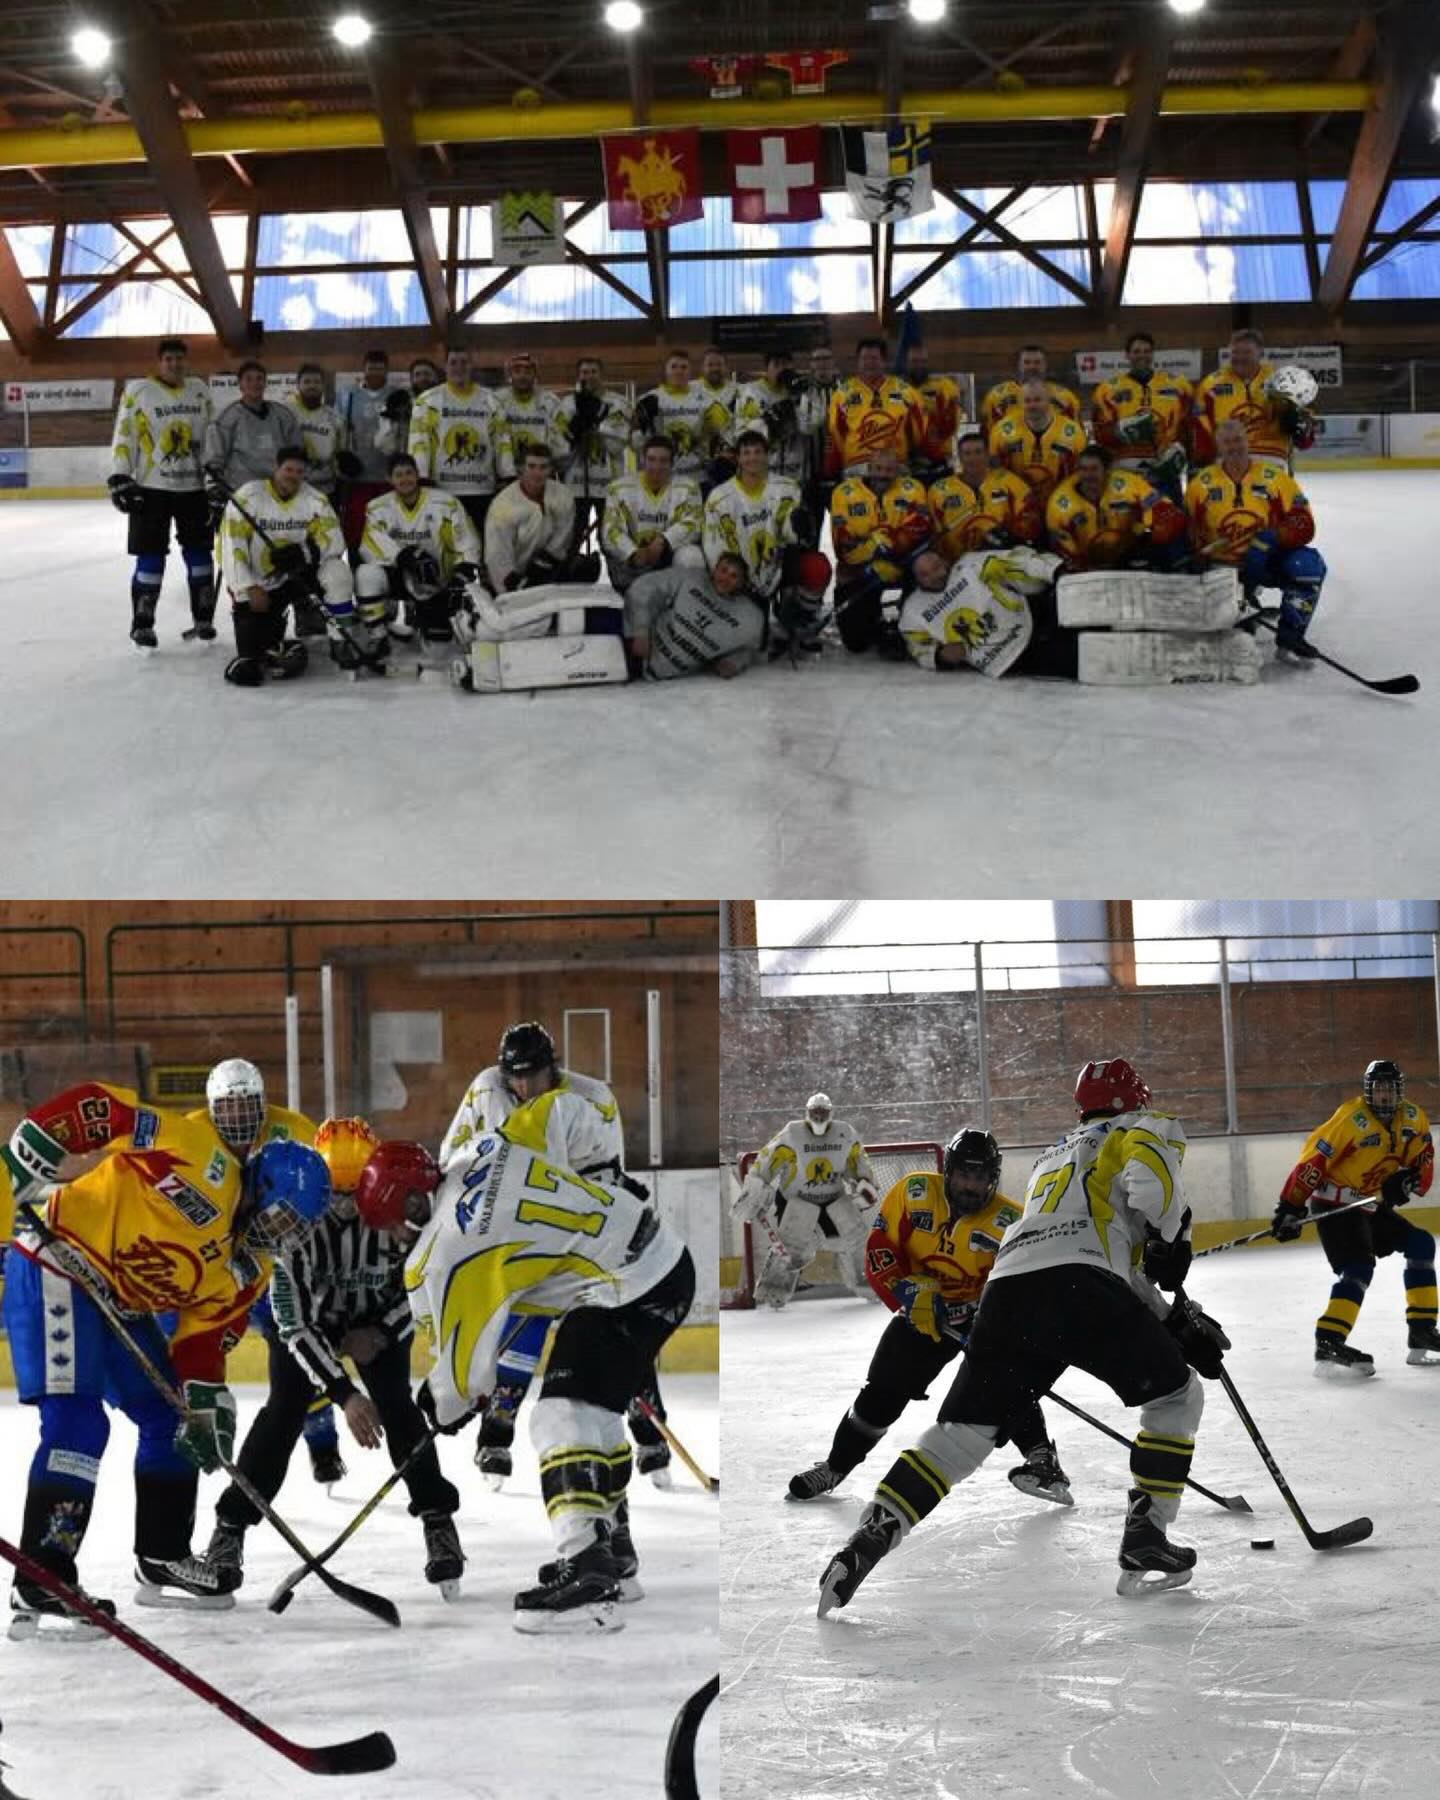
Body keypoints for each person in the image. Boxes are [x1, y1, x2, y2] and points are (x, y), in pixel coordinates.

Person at [818, 1058, 1228, 1614]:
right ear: (1136, 1100)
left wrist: (1174, 1320)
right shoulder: (1143, 1126)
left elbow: (1098, 1253)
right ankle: (1146, 1535)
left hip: (1008, 1288)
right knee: (1177, 1397)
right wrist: (1172, 1236)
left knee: (961, 1433)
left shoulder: (1053, 1156)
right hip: (1081, 1287)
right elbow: (1149, 1186)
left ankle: (871, 1535)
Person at [2, 1083, 328, 1631]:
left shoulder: (250, 1270)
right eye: (280, 1220)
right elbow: (106, 1110)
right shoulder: (201, 1157)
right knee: (78, 1425)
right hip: (59, 1264)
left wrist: (206, 1403)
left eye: (293, 1230)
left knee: (174, 1418)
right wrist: (31, 1148)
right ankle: (42, 1576)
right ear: (260, 1191)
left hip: (119, 1302)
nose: (281, 1236)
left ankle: (162, 1554)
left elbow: (201, 1340)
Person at [357, 1131, 695, 1632]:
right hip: (659, 1259)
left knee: (559, 1417)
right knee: (595, 1415)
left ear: (409, 1205)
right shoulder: (479, 1151)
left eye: (390, 1226)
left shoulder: (451, 1241)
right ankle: (612, 1555)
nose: (393, 1239)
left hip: (628, 1286)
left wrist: (439, 1403)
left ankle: (587, 1571)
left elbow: (466, 1378)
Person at [198, 1118, 465, 1601]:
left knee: (398, 1407)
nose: (343, 1208)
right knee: (282, 1414)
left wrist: (382, 1332)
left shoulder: (399, 1215)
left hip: (377, 1323)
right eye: (333, 1195)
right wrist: (343, 1394)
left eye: (353, 1194)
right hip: (313, 1324)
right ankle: (230, 1529)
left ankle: (438, 1519)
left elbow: (421, 1289)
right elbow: (294, 1326)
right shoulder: (294, 1227)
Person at [438, 1022, 674, 1486]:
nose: (524, 1087)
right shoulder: (486, 1090)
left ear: (553, 1067)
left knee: (615, 1326)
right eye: (516, 1077)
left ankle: (650, 1432)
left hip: (581, 1233)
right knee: (521, 1328)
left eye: (534, 1075)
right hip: (519, 1232)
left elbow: (608, 1180)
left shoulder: (593, 1099)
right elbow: (454, 1157)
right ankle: (495, 1437)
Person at [788, 1129, 1071, 1507]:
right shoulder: (914, 1193)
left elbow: (1021, 1288)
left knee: (1006, 1381)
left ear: (993, 1178)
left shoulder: (1010, 1223)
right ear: (949, 1171)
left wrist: (991, 1320)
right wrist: (905, 1292)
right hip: (919, 1311)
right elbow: (880, 1251)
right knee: (881, 1392)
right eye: (964, 1175)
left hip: (980, 1317)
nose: (971, 1185)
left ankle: (1042, 1458)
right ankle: (835, 1466)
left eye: (980, 1177)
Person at [187, 1060, 340, 1485]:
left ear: (263, 1103)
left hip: (279, 1256)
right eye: (228, 1107)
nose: (238, 1116)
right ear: (212, 1108)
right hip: (222, 1253)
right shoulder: (193, 1133)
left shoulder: (295, 1129)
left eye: (246, 1105)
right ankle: (195, 1412)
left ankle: (322, 1441)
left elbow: (324, 1189)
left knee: (290, 1343)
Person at [1271, 1059, 1436, 1376]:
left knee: (1420, 1243)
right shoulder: (1350, 1119)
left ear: (1399, 1091)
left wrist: (1408, 1181)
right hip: (1334, 1204)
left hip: (1369, 1204)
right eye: (1379, 1088)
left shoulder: (1413, 1118)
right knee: (1358, 1267)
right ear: (1369, 1090)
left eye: (1390, 1089)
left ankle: (1422, 1330)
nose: (1385, 1095)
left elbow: (1422, 1161)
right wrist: (1290, 1206)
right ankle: (1329, 1341)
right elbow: (1313, 1162)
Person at [899, 545, 1260, 687]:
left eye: (937, 564)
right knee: (1120, 656)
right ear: (916, 579)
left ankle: (1210, 601)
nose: (936, 574)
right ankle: (1224, 657)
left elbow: (1017, 561)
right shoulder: (913, 614)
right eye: (926, 573)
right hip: (1016, 658)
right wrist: (940, 655)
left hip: (1036, 615)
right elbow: (919, 649)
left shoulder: (970, 565)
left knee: (1111, 597)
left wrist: (1053, 570)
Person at [217, 444, 382, 685]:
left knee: (337, 572)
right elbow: (231, 547)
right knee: (254, 657)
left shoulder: (315, 500)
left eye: (299, 471)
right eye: (288, 469)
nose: (293, 476)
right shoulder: (248, 497)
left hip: (299, 576)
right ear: (276, 468)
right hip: (259, 583)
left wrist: (305, 553)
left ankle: (341, 642)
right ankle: (259, 643)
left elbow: (334, 540)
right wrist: (248, 586)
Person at [1185, 417, 1325, 660]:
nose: (1234, 446)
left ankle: (1291, 635)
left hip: (1267, 561)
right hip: (1224, 569)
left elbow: (1303, 522)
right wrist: (1195, 559)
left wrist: (1272, 538)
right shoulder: (1201, 484)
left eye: (1238, 440)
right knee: (1238, 638)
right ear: (1219, 446)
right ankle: (1246, 610)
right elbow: (1187, 529)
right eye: (1227, 442)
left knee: (1307, 566)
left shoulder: (1275, 478)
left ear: (1247, 441)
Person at [107, 335, 216, 648]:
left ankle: (203, 618)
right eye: (168, 359)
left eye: (179, 358)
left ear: (186, 361)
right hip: (151, 489)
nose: (174, 364)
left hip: (194, 489)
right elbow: (125, 433)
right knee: (150, 556)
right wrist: (120, 474)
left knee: (200, 555)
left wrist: (214, 478)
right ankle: (143, 625)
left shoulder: (200, 390)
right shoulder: (139, 391)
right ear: (159, 362)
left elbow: (212, 436)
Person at [732, 1093, 881, 1308]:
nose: (819, 1117)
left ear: (831, 1113)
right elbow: (767, 1160)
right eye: (815, 1112)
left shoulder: (845, 1133)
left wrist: (865, 1182)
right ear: (807, 1113)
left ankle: (867, 1282)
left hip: (834, 1199)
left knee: (856, 1239)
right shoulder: (792, 1134)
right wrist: (755, 1189)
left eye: (823, 1112)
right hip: (796, 1200)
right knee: (791, 1244)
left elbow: (858, 1162)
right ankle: (774, 1289)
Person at [703, 429, 824, 639]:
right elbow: (714, 546)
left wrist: (799, 527)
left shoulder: (787, 487)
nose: (752, 458)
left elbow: (790, 534)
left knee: (816, 566)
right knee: (754, 638)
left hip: (777, 565)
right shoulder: (719, 497)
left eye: (758, 452)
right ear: (738, 458)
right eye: (746, 453)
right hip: (741, 577)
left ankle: (795, 617)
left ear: (768, 456)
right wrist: (735, 578)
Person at [357, 450, 483, 646]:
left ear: (417, 474)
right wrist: (407, 556)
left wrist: (461, 573)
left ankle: (431, 616)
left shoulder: (445, 503)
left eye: (409, 473)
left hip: (440, 579)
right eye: (398, 475)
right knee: (366, 574)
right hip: (401, 578)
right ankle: (378, 636)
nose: (405, 479)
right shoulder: (377, 508)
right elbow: (370, 545)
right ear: (389, 479)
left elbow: (468, 542)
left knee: (440, 638)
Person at [828, 445, 933, 653]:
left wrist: (889, 542)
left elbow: (921, 529)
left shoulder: (913, 488)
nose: (883, 475)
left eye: (889, 470)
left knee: (928, 564)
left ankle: (915, 621)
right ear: (869, 468)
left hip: (903, 563)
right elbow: (843, 546)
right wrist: (873, 553)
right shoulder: (844, 493)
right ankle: (873, 622)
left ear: (897, 470)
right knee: (856, 643)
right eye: (878, 469)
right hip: (862, 570)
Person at [408, 345, 510, 537]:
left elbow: (502, 441)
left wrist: (507, 475)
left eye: (464, 362)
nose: (459, 367)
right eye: (453, 362)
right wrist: (421, 477)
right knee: (445, 542)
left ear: (472, 366)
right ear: (445, 367)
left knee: (479, 541)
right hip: (442, 489)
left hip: (482, 489)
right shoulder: (427, 401)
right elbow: (419, 443)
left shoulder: (491, 400)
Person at [625, 553, 766, 681]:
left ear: (740, 584)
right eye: (723, 570)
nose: (725, 579)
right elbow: (643, 589)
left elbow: (750, 648)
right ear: (714, 569)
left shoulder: (746, 615)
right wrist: (640, 631)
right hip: (633, 645)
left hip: (664, 674)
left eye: (734, 576)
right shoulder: (690, 578)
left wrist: (734, 662)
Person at [1045, 445, 1188, 572]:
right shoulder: (1059, 505)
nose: (1088, 476)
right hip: (1085, 564)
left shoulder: (1128, 483)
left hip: (1129, 552)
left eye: (1094, 469)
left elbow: (1161, 506)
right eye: (1083, 469)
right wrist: (1077, 564)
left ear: (1107, 471)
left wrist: (1160, 520)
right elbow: (1061, 548)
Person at [1090, 330, 1193, 501]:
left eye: (1146, 351)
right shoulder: (1107, 390)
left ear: (1153, 354)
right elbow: (1099, 434)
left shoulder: (1178, 386)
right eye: (1136, 351)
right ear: (1127, 355)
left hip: (1164, 467)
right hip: (1125, 470)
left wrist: (1179, 450)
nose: (1142, 355)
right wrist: (1119, 431)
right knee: (1125, 517)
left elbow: (1188, 427)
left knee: (1170, 516)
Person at [1192, 329, 1317, 466]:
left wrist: (1301, 430)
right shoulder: (1211, 385)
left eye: (1247, 352)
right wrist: (1203, 458)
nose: (1240, 357)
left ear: (1260, 353)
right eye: (1235, 352)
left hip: (1272, 458)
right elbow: (1202, 427)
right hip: (1229, 459)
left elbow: (1304, 438)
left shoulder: (1281, 380)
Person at [601, 436, 704, 594]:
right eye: (651, 459)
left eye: (663, 461)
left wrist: (664, 541)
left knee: (692, 556)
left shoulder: (689, 487)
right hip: (633, 562)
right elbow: (611, 530)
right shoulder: (618, 488)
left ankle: (685, 601)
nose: (657, 466)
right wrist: (632, 553)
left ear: (672, 463)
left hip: (669, 559)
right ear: (642, 460)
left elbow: (695, 524)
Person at [484, 444, 589, 592]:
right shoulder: (502, 506)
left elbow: (563, 536)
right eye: (531, 466)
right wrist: (513, 582)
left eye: (543, 467)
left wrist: (545, 563)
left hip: (550, 567)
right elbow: (497, 554)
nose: (537, 473)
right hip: (513, 576)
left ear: (551, 469)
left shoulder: (563, 495)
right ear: (521, 469)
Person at [203, 361, 300, 521]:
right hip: (241, 495)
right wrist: (215, 491)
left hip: (277, 493)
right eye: (248, 379)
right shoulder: (226, 417)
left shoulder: (283, 415)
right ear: (240, 384)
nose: (255, 383)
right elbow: (214, 460)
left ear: (265, 383)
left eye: (259, 378)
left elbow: (296, 453)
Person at [555, 356, 631, 553]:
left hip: (609, 484)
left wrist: (595, 423)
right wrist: (574, 431)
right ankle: (570, 570)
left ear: (602, 375)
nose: (589, 376)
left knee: (610, 538)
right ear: (578, 376)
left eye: (593, 372)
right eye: (584, 372)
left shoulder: (618, 403)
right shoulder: (567, 404)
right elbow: (558, 443)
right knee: (571, 538)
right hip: (575, 484)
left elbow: (618, 443)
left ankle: (614, 572)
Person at [825, 337, 926, 479]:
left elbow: (919, 432)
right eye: (864, 358)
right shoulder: (842, 394)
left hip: (894, 466)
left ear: (884, 361)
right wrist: (831, 469)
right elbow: (835, 435)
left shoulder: (907, 392)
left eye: (874, 358)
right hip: (857, 467)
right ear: (857, 361)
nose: (869, 363)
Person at [928, 431, 1040, 560]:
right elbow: (934, 535)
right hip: (959, 562)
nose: (973, 458)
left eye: (978, 452)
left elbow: (1030, 516)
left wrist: (1013, 534)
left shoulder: (1009, 481)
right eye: (967, 453)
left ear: (987, 455)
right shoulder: (939, 491)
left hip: (1005, 558)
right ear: (959, 457)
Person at [988, 379, 1089, 510]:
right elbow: (995, 475)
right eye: (1027, 401)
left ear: (1048, 401)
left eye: (1037, 400)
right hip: (1017, 504)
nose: (1032, 405)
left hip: (1060, 502)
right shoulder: (1000, 431)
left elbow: (1081, 475)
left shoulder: (1073, 432)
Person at [338, 346, 401, 547]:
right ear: (364, 369)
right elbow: (340, 430)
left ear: (387, 370)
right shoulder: (349, 395)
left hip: (388, 474)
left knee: (389, 525)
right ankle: (357, 558)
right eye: (371, 368)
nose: (375, 373)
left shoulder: (396, 395)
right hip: (358, 474)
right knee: (357, 526)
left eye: (379, 368)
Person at [631, 350, 709, 482]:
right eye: (673, 367)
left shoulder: (706, 398)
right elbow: (635, 444)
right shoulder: (647, 399)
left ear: (690, 371)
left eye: (684, 367)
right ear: (665, 370)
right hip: (659, 476)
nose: (679, 371)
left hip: (696, 476)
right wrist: (645, 430)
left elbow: (713, 435)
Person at [733, 349, 809, 483]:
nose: (781, 369)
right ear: (767, 369)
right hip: (763, 471)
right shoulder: (751, 392)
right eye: (776, 364)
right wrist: (768, 423)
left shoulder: (801, 391)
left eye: (785, 364)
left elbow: (810, 426)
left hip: (795, 471)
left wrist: (800, 400)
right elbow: (743, 433)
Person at [493, 350, 567, 481]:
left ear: (535, 375)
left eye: (528, 372)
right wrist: (508, 475)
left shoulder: (551, 401)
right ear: (510, 374)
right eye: (517, 371)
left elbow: (561, 444)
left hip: (542, 475)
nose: (523, 376)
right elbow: (496, 440)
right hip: (507, 478)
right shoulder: (496, 400)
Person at [979, 345, 1082, 437]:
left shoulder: (1065, 397)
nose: (1032, 367)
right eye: (1027, 362)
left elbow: (1077, 436)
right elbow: (987, 434)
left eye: (1037, 362)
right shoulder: (997, 396)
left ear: (1045, 365)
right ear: (1018, 365)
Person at [288, 363, 352, 504]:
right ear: (298, 385)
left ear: (323, 386)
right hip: (292, 487)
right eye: (307, 382)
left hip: (326, 490)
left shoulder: (336, 418)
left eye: (317, 382)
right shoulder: (286, 413)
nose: (312, 386)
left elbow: (342, 455)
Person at [902, 346, 962, 480]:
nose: (919, 365)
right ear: (906, 363)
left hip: (939, 459)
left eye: (923, 361)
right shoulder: (897, 390)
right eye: (914, 361)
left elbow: (953, 422)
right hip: (907, 461)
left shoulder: (944, 387)